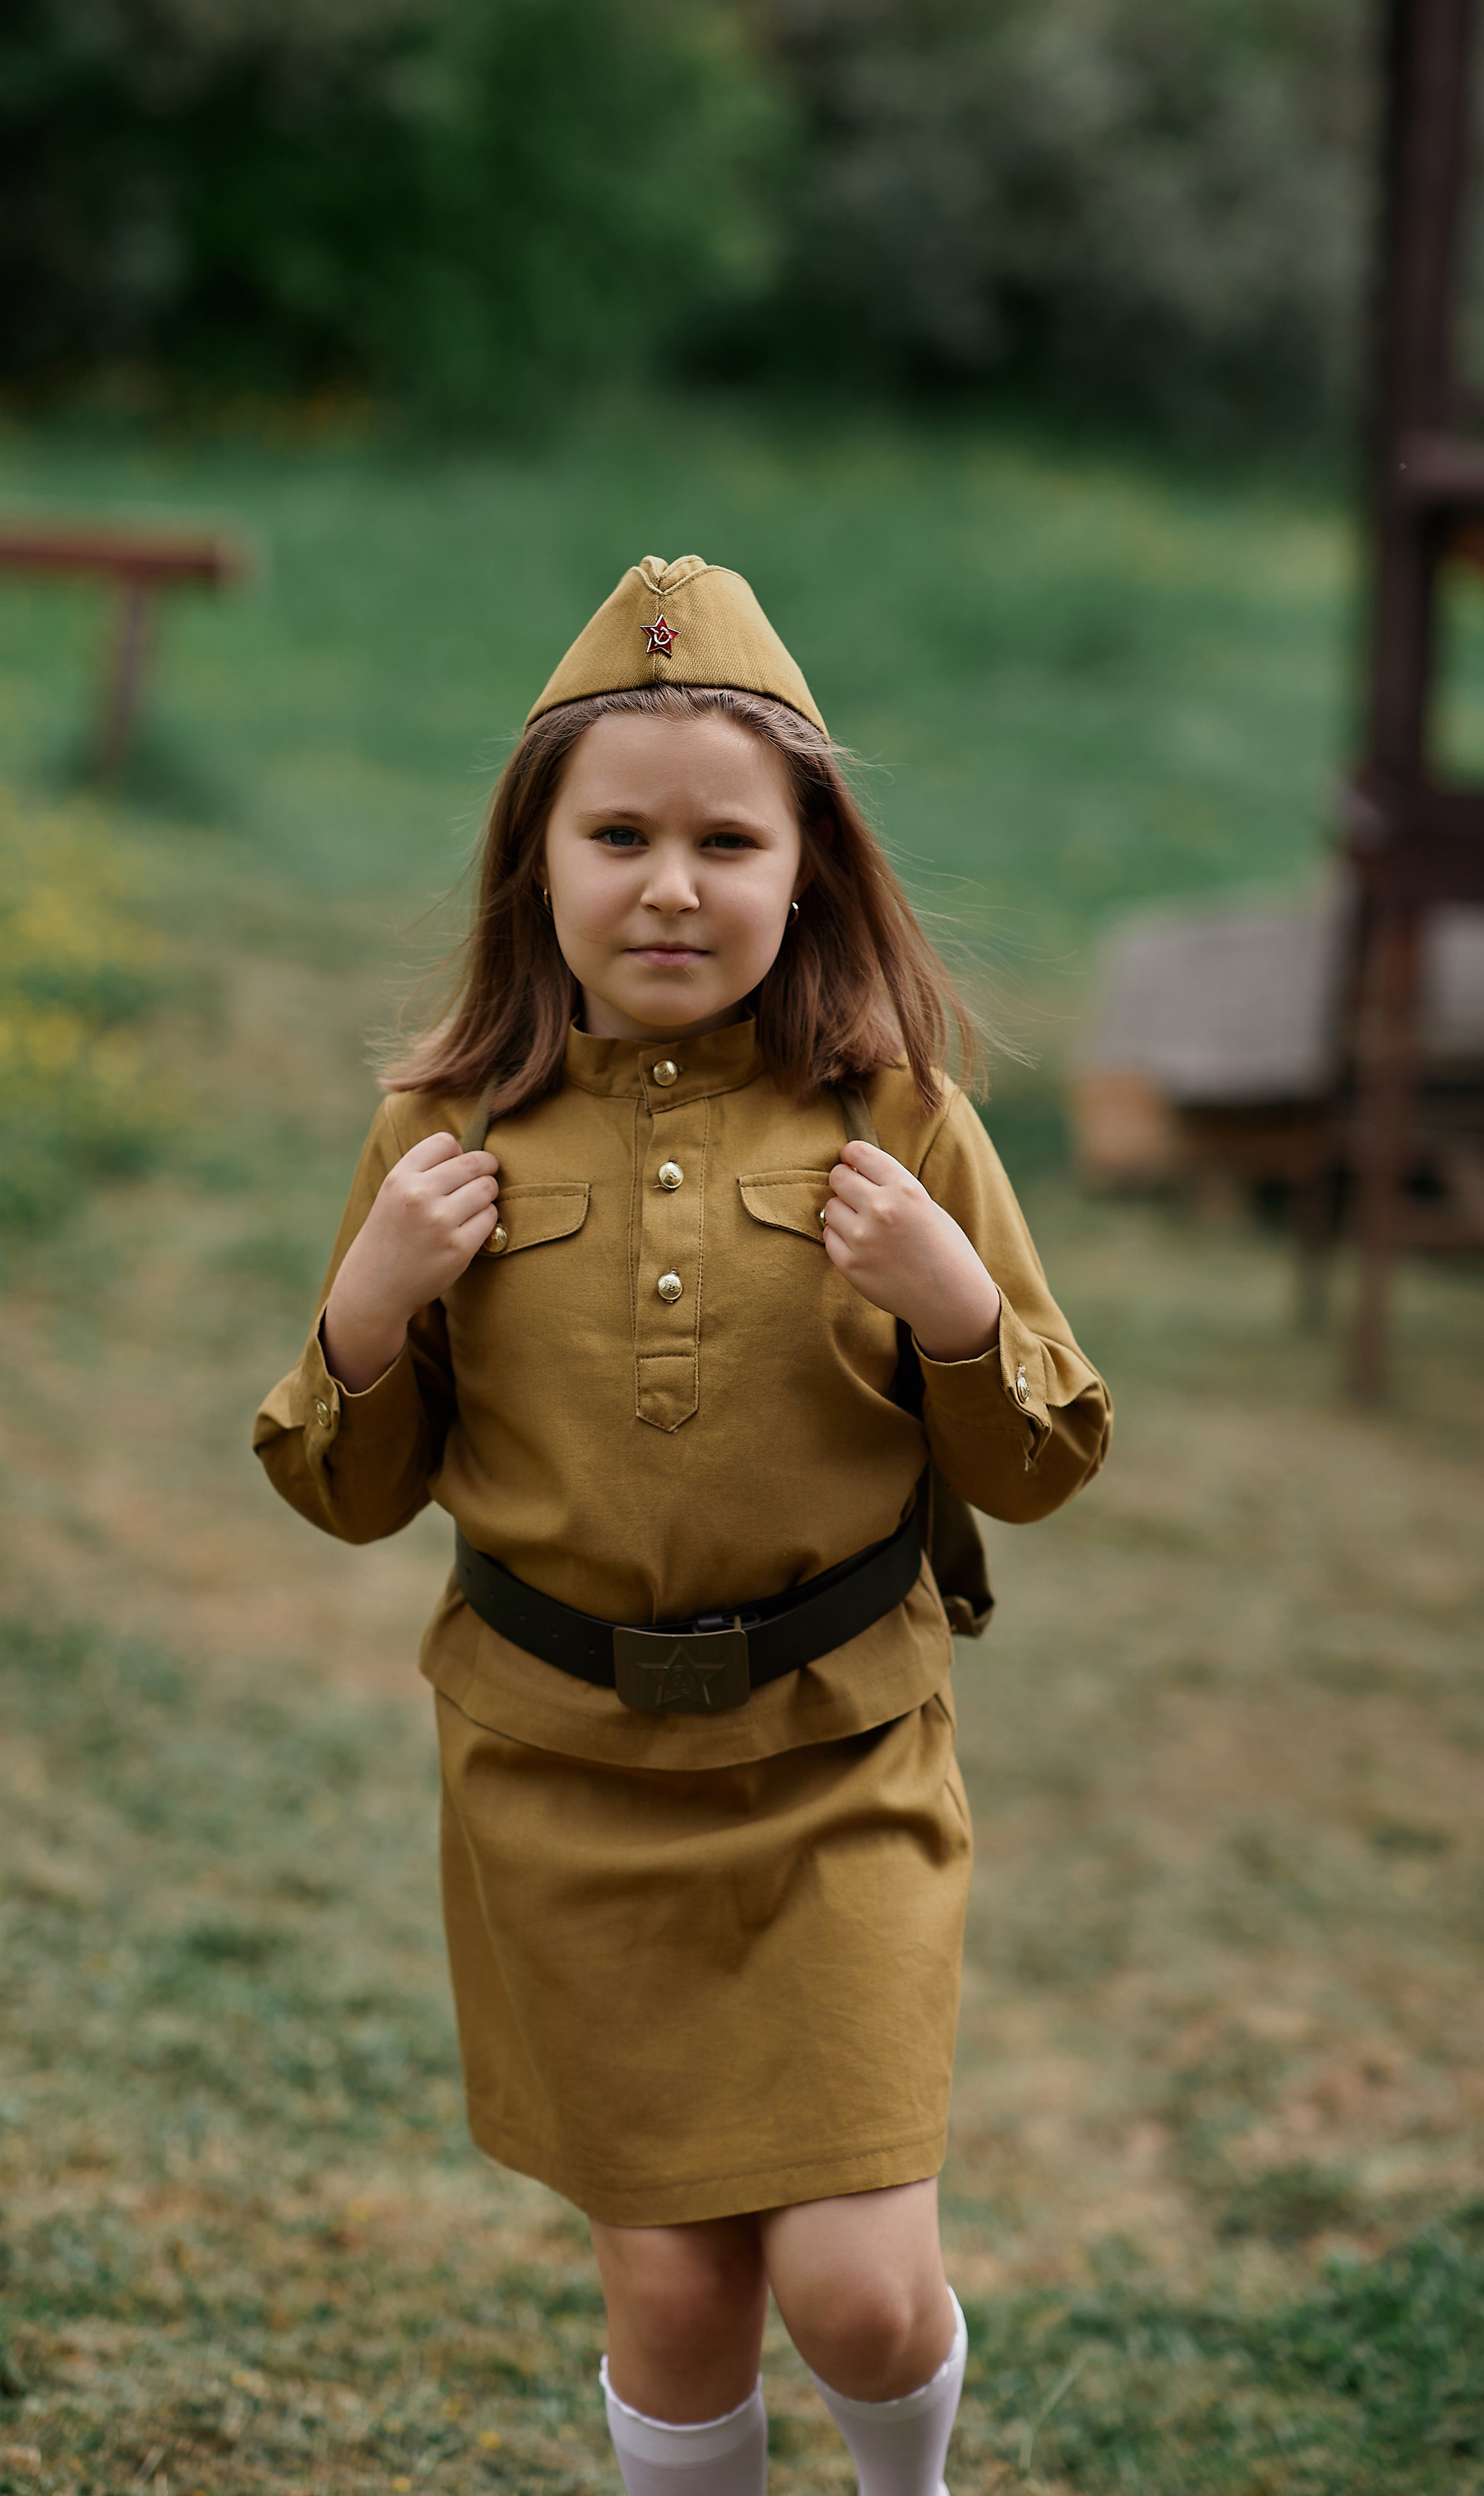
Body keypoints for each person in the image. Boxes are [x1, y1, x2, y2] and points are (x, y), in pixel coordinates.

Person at [254, 555, 1111, 2496]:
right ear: (534, 864)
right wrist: (369, 1307)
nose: (669, 885)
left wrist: (957, 1304)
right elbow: (344, 1486)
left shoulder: (901, 1120)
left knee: (863, 2297)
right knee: (674, 2305)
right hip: (562, 1788)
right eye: (618, 833)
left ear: (806, 865)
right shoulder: (441, 1135)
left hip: (839, 1771)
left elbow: (1045, 1458)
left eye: (727, 839)